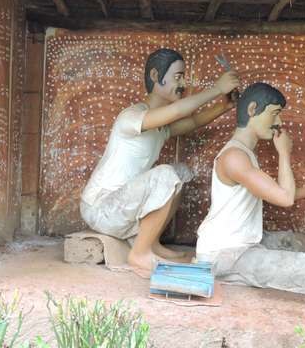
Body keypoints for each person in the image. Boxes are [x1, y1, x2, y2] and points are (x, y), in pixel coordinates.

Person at [80, 48, 240, 272]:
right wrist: (216, 89)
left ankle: (151, 242)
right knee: (166, 174)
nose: (183, 83)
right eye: (178, 77)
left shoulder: (159, 128)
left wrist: (225, 105)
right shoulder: (131, 117)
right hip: (100, 209)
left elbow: (192, 121)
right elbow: (176, 112)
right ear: (156, 76)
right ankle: (140, 253)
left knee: (180, 172)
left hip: (121, 209)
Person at [196, 82, 305, 295]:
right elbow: (285, 198)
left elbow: (277, 192)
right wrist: (284, 153)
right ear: (252, 110)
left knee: (300, 242)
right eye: (275, 114)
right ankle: (224, 271)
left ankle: (258, 261)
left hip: (245, 241)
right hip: (225, 253)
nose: (278, 122)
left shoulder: (245, 153)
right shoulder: (234, 157)